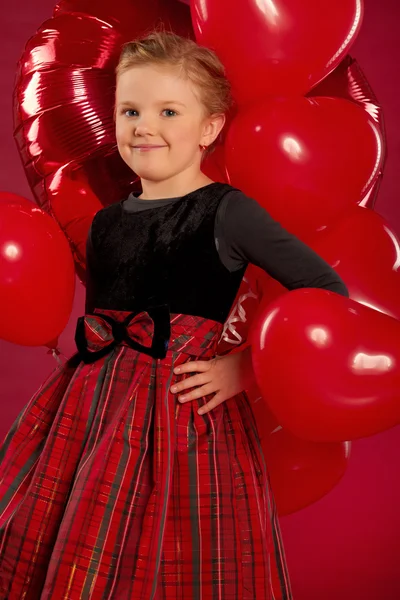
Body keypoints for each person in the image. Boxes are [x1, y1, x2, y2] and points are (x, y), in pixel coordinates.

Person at [0, 31, 349, 600]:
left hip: (183, 424)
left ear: (209, 129)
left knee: (177, 561)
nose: (144, 126)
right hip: (94, 414)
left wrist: (245, 370)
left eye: (168, 111)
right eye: (129, 110)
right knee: (76, 547)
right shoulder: (108, 222)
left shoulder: (227, 211)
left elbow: (324, 293)